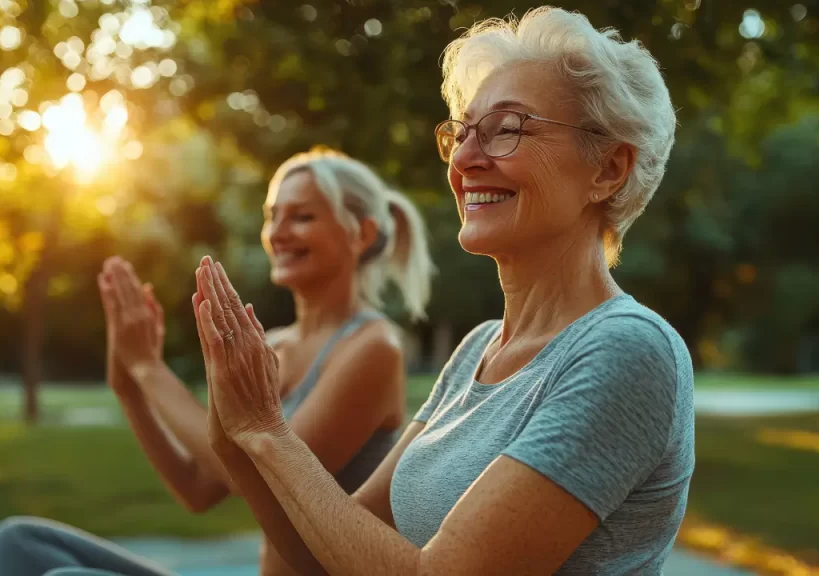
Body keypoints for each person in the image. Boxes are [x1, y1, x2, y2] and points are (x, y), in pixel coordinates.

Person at [193, 7, 694, 575]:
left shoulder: (628, 350)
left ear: (608, 169)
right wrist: (238, 436)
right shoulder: (476, 351)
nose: (463, 159)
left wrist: (268, 433)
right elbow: (325, 553)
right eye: (461, 133)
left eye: (507, 130)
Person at [0, 148, 436, 576]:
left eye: (302, 216)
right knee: (18, 542)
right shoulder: (271, 346)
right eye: (272, 216)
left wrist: (150, 370)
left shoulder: (373, 349)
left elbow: (254, 480)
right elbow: (197, 489)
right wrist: (130, 387)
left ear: (362, 233)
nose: (278, 232)